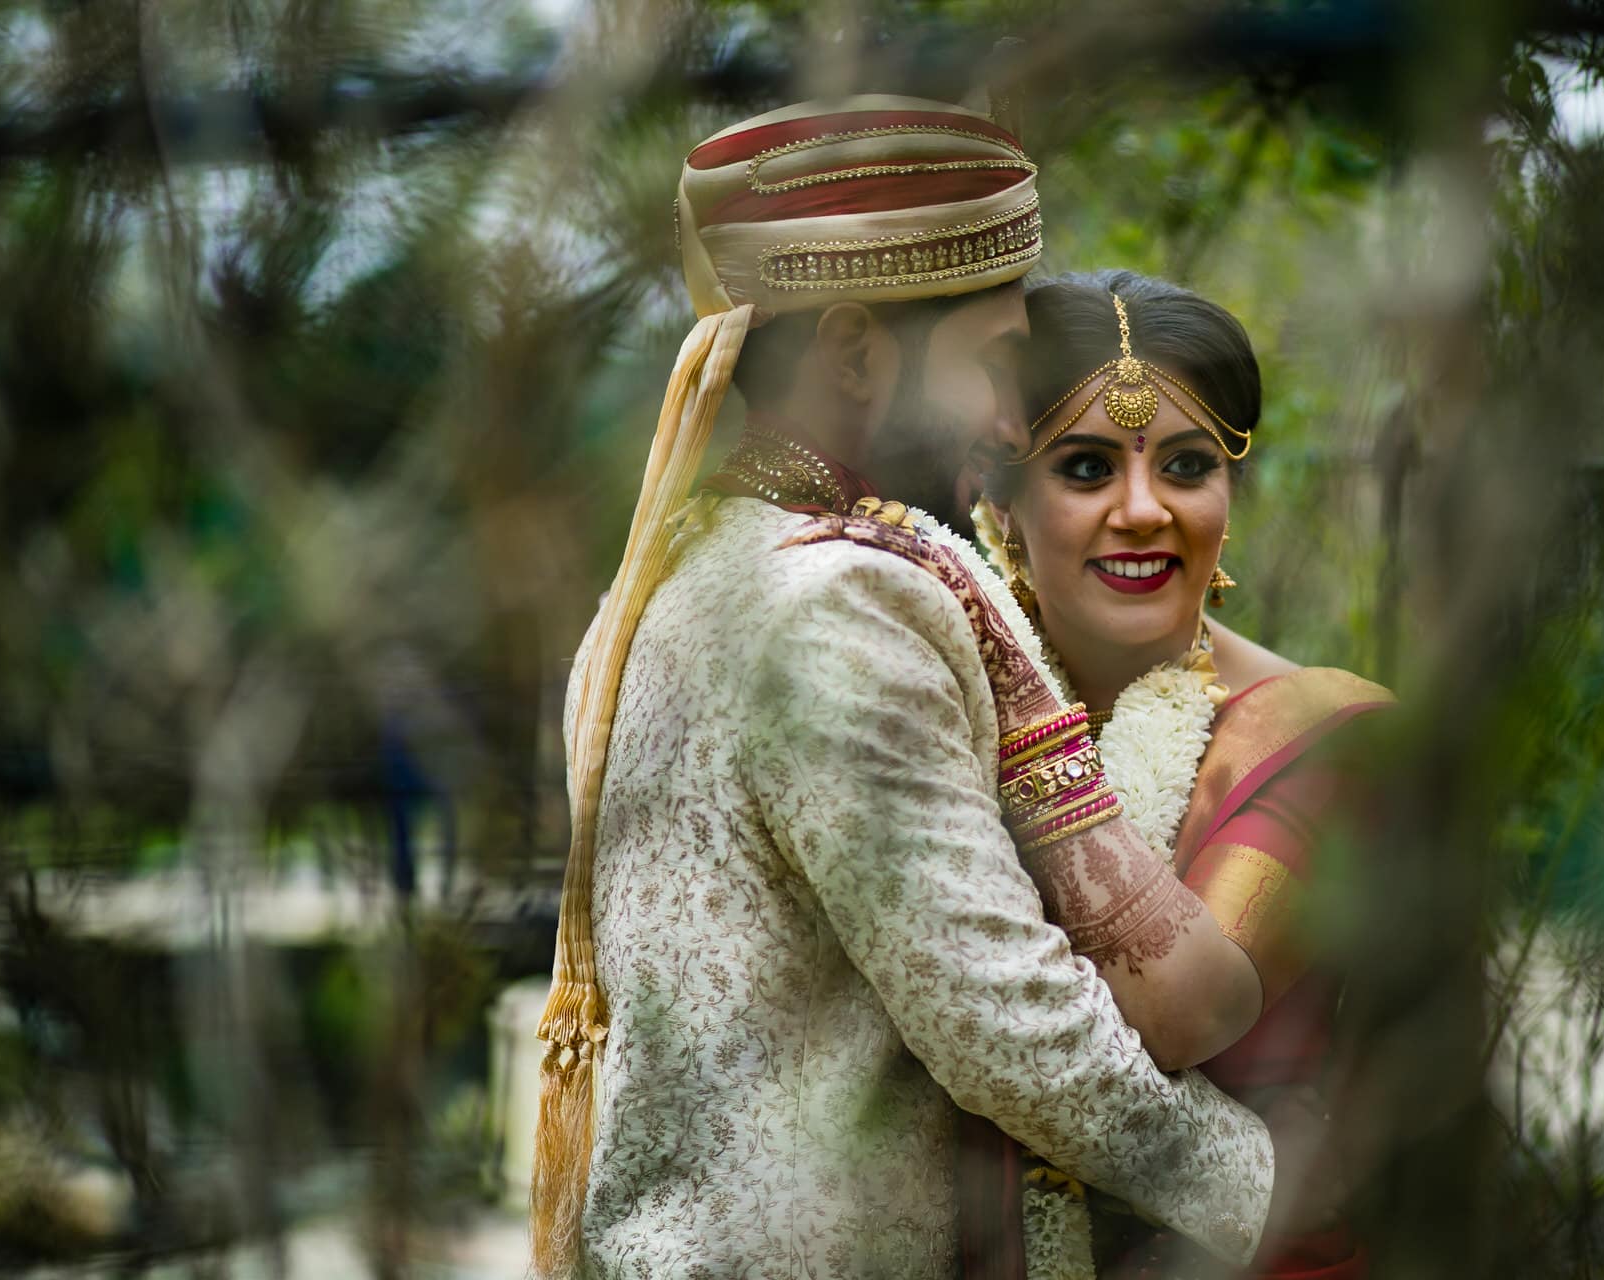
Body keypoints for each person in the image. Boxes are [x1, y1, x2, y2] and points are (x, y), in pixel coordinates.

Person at [531, 99, 1311, 1279]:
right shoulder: (844, 600)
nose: (1008, 420)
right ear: (853, 351)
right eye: (995, 367)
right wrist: (1280, 1192)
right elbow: (1006, 1018)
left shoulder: (692, 558)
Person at [968, 270, 1394, 1279]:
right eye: (1084, 467)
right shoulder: (934, 712)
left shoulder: (1318, 732)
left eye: (1189, 464)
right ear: (1002, 498)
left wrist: (1031, 741)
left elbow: (1167, 1021)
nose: (1144, 509)